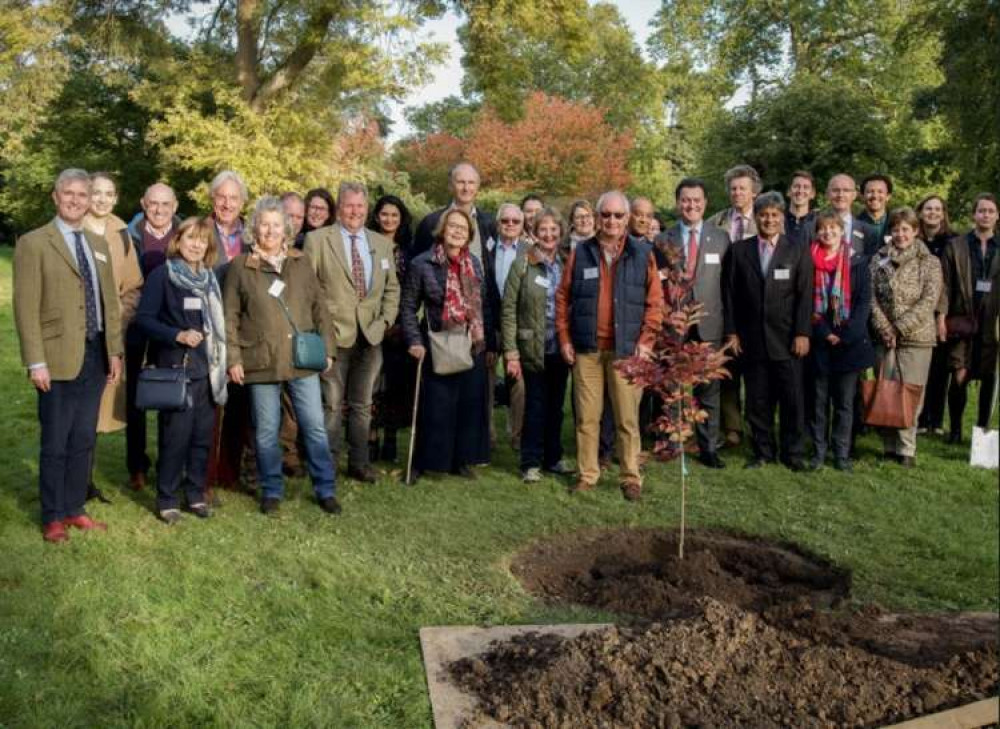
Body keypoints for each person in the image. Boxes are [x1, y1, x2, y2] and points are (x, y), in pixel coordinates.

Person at [13, 168, 123, 542]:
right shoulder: (34, 242)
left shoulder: (98, 244)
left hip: (95, 354)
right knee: (56, 440)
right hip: (57, 357)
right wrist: (35, 361)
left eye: (82, 194)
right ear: (56, 197)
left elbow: (110, 302)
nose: (76, 200)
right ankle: (53, 515)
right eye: (69, 194)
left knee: (83, 438)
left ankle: (75, 508)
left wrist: (115, 351)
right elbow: (25, 307)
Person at [223, 196, 340, 514]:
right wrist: (233, 358)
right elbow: (229, 316)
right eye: (265, 224)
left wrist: (328, 348)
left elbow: (320, 310)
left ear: (286, 228)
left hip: (302, 360)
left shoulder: (301, 262)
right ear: (254, 228)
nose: (271, 230)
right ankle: (271, 489)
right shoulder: (239, 267)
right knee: (266, 430)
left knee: (314, 426)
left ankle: (325, 488)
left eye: (277, 224)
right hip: (260, 360)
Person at [556, 190, 664, 501]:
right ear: (598, 217)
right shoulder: (581, 252)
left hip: (626, 350)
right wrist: (564, 338)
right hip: (587, 350)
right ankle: (588, 474)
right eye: (606, 215)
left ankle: (631, 476)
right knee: (587, 418)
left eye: (618, 215)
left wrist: (646, 342)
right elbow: (562, 298)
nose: (612, 221)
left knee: (627, 419)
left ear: (628, 218)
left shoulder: (643, 255)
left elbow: (655, 304)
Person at [305, 182, 400, 482]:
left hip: (370, 337)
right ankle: (327, 465)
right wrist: (320, 331)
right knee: (331, 405)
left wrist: (385, 322)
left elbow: (392, 289)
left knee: (362, 405)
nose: (355, 211)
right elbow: (308, 289)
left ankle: (359, 463)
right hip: (333, 336)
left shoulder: (382, 244)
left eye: (360, 206)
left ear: (366, 208)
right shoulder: (318, 240)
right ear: (339, 207)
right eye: (349, 205)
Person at [135, 217, 227, 523]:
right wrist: (177, 335)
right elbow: (145, 319)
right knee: (176, 437)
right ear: (179, 240)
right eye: (191, 238)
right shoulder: (163, 275)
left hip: (208, 370)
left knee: (202, 437)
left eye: (202, 239)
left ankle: (195, 494)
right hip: (176, 368)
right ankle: (167, 498)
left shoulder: (210, 279)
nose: (197, 244)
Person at [400, 208, 494, 481]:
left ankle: (461, 460)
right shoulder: (423, 263)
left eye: (463, 229)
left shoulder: (474, 263)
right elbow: (408, 307)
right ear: (442, 229)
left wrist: (485, 339)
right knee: (436, 406)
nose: (457, 231)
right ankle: (425, 461)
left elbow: (481, 303)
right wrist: (414, 341)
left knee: (468, 404)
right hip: (437, 342)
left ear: (469, 235)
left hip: (469, 342)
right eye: (452, 226)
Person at [723, 191, 812, 471]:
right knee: (757, 401)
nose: (769, 219)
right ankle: (762, 452)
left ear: (782, 217)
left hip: (787, 339)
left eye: (774, 215)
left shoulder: (796, 249)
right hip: (751, 339)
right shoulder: (739, 251)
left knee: (792, 400)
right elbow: (729, 295)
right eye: (764, 215)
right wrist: (732, 332)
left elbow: (805, 295)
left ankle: (792, 453)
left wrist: (802, 333)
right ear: (757, 217)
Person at [654, 178, 731, 469]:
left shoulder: (721, 238)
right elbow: (658, 285)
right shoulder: (663, 240)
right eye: (686, 200)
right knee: (673, 386)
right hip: (676, 326)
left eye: (697, 200)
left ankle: (708, 446)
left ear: (705, 203)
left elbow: (727, 285)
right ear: (678, 203)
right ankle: (673, 443)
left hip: (710, 323)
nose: (691, 205)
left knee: (709, 388)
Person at [83, 172, 144, 502]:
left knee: (97, 410)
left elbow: (134, 286)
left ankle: (86, 482)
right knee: (78, 413)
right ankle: (76, 482)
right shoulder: (71, 229)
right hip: (77, 337)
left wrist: (119, 315)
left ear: (117, 198)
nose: (102, 199)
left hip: (111, 337)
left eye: (108, 194)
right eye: (96, 193)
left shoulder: (122, 235)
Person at [503, 207, 574, 482]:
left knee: (556, 407)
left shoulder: (568, 261)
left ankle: (553, 458)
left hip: (561, 346)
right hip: (532, 347)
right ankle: (530, 462)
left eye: (553, 229)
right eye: (543, 229)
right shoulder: (523, 263)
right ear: (534, 231)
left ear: (560, 232)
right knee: (535, 405)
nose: (548, 234)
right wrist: (511, 352)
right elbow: (509, 308)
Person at [869, 207, 943, 467]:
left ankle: (907, 448)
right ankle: (889, 445)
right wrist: (885, 328)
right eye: (896, 229)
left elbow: (929, 300)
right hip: (884, 336)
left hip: (917, 338)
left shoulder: (929, 262)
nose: (900, 234)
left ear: (915, 232)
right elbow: (871, 297)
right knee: (887, 390)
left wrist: (899, 328)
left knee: (910, 393)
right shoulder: (879, 258)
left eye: (905, 229)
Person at [806, 211, 874, 472]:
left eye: (833, 228)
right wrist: (826, 332)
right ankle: (819, 451)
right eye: (823, 228)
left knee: (845, 404)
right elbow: (807, 301)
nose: (828, 233)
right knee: (819, 402)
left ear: (841, 231)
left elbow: (863, 303)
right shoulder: (808, 261)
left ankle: (841, 454)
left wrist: (846, 335)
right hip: (820, 341)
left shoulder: (858, 262)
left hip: (851, 343)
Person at [124, 182, 180, 490]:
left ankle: (168, 462)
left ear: (175, 205)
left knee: (170, 394)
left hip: (171, 327)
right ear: (144, 204)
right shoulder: (128, 236)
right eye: (153, 204)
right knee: (135, 397)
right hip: (136, 323)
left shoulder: (186, 235)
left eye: (165, 204)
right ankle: (137, 465)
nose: (159, 210)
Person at [709, 164, 762, 449]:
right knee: (727, 369)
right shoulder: (715, 222)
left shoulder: (765, 220)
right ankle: (731, 428)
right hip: (723, 300)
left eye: (742, 188)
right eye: (733, 188)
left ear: (754, 191)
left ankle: (756, 424)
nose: (737, 193)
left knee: (755, 372)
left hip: (755, 305)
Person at [941, 194, 999, 443]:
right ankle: (954, 430)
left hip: (992, 322)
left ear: (997, 216)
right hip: (962, 319)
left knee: (989, 377)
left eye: (990, 211)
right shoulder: (957, 246)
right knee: (960, 374)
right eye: (981, 211)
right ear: (973, 215)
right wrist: (940, 318)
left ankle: (981, 432)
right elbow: (943, 285)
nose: (985, 215)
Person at [367, 194, 416, 461]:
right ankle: (370, 439)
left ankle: (391, 440)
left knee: (396, 385)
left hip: (400, 328)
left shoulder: (407, 251)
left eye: (394, 215)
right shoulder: (367, 245)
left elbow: (411, 289)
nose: (389, 219)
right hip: (372, 324)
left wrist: (400, 324)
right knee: (373, 383)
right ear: (376, 216)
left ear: (401, 218)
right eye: (384, 214)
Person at [490, 203, 530, 449]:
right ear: (498, 224)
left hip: (518, 324)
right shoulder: (487, 249)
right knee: (486, 383)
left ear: (522, 225)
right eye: (506, 221)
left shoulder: (530, 251)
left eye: (516, 221)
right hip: (492, 323)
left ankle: (518, 436)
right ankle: (488, 437)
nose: (510, 225)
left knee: (519, 383)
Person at [916, 195, 957, 435]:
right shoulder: (913, 239)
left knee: (940, 367)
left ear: (943, 213)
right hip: (916, 310)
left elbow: (950, 282)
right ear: (920, 212)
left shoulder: (953, 242)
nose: (932, 213)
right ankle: (920, 418)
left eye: (937, 209)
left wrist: (942, 315)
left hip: (941, 311)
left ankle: (936, 421)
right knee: (921, 367)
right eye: (928, 208)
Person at [413, 162, 496, 264]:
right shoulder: (431, 222)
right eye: (461, 182)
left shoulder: (489, 222)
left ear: (477, 187)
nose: (466, 188)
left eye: (471, 183)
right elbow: (418, 262)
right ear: (450, 186)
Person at [825, 173, 880, 257]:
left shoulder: (869, 232)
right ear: (828, 194)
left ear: (854, 195)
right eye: (836, 190)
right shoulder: (812, 229)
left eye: (846, 190)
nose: (840, 195)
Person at [210, 170, 249, 271]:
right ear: (212, 199)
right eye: (221, 197)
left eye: (233, 198)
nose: (227, 205)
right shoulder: (199, 232)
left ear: (242, 203)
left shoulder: (255, 235)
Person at [785, 171, 817, 247]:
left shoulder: (818, 223)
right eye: (796, 186)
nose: (800, 191)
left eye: (806, 187)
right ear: (788, 191)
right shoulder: (777, 220)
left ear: (812, 194)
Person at [859, 174, 894, 245]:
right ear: (862, 196)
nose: (875, 196)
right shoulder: (853, 225)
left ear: (888, 196)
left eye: (880, 192)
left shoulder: (898, 223)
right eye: (870, 192)